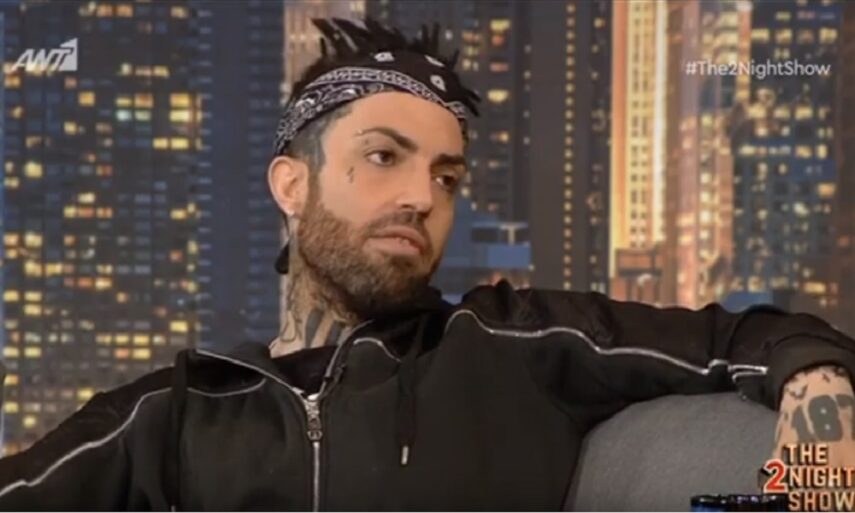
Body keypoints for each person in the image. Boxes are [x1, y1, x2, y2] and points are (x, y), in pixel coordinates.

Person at [1, 17, 854, 511]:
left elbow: (747, 338)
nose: (420, 195)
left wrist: (819, 409)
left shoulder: (509, 342)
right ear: (291, 184)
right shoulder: (176, 412)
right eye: (383, 157)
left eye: (445, 176)